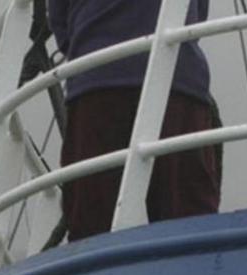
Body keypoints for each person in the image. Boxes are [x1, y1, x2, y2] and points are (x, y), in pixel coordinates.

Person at [48, 0, 221, 241]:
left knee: (91, 226)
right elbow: (196, 15)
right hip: (177, 80)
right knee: (189, 227)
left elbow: (60, 23)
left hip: (97, 80)